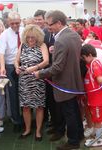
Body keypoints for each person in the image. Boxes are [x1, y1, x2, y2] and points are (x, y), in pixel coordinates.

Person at [34, 10, 84, 150]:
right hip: (73, 80)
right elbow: (70, 55)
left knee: (69, 113)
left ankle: (73, 142)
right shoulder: (73, 35)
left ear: (59, 23)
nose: (47, 27)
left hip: (64, 83)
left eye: (49, 25)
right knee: (73, 110)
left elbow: (57, 68)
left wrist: (40, 73)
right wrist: (55, 50)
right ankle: (78, 135)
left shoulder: (61, 40)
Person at [14, 24, 49, 140]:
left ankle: (38, 131)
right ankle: (27, 129)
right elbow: (16, 60)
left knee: (39, 106)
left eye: (32, 37)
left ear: (37, 37)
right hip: (24, 80)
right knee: (25, 106)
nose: (30, 39)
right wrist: (16, 67)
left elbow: (46, 61)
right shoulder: (23, 45)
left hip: (38, 79)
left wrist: (35, 68)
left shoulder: (42, 45)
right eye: (28, 37)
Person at [0, 11, 23, 132]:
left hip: (24, 65)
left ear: (20, 21)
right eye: (12, 23)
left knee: (26, 92)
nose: (14, 25)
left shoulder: (24, 31)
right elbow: (1, 53)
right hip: (10, 67)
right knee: (13, 94)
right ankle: (17, 121)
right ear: (8, 22)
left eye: (17, 23)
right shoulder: (4, 35)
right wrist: (2, 67)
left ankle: (27, 118)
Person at [81, 44, 102, 147]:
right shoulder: (92, 64)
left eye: (84, 57)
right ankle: (97, 135)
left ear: (89, 55)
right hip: (93, 97)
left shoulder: (95, 64)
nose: (83, 60)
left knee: (98, 120)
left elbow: (100, 80)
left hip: (97, 98)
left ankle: (99, 140)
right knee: (96, 118)